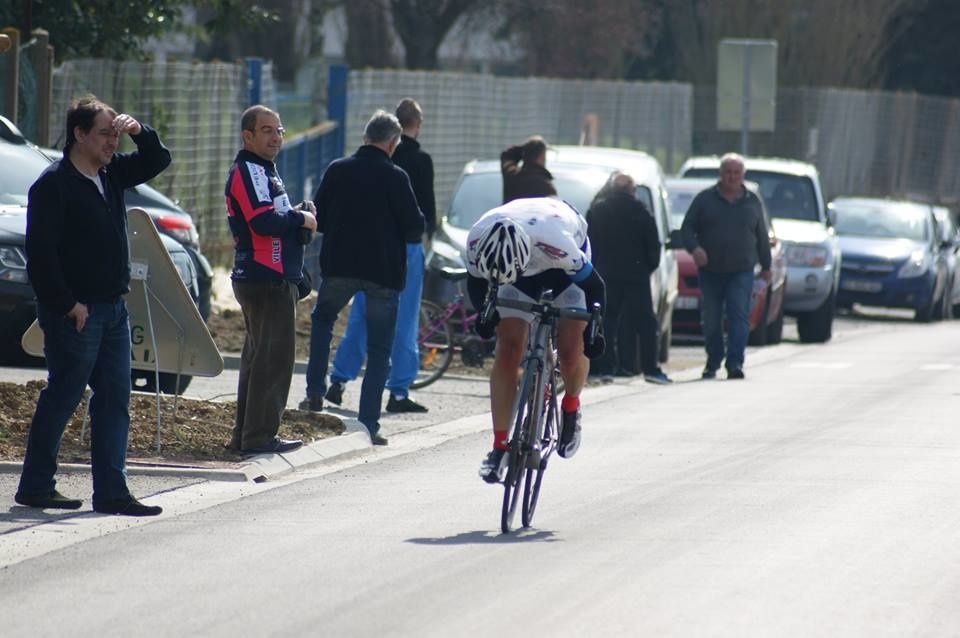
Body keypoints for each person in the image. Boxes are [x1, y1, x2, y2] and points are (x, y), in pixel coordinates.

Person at [16, 95, 170, 516]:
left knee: (115, 398)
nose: (112, 143)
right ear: (79, 134)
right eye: (105, 134)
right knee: (64, 396)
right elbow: (41, 256)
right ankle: (35, 485)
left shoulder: (111, 173)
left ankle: (112, 492)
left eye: (115, 135)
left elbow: (157, 159)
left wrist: (139, 131)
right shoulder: (53, 185)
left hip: (113, 309)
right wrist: (68, 304)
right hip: (75, 314)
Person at [300, 110, 425, 445]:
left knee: (323, 320)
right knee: (380, 347)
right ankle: (369, 422)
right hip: (382, 272)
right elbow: (414, 228)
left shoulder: (337, 169)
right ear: (393, 143)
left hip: (339, 266)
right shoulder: (396, 177)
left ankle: (315, 391)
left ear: (366, 136)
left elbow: (320, 217)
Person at [465, 197, 606, 483]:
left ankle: (571, 406)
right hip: (516, 274)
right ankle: (499, 447)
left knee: (570, 349)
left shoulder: (559, 245)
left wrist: (594, 331)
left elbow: (596, 288)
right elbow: (477, 285)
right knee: (508, 348)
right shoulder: (476, 241)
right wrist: (485, 316)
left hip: (561, 268)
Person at [322, 98, 433, 414]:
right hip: (406, 248)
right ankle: (398, 391)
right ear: (414, 126)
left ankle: (338, 380)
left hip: (371, 248)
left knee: (360, 315)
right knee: (404, 319)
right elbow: (425, 212)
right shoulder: (418, 162)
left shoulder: (365, 162)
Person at [226, 104, 317, 456]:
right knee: (273, 361)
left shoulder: (264, 170)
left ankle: (246, 436)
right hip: (265, 278)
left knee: (260, 358)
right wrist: (300, 220)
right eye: (266, 130)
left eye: (278, 130)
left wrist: (298, 214)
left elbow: (274, 214)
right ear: (247, 136)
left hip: (272, 277)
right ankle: (259, 438)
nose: (276, 137)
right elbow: (263, 221)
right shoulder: (248, 170)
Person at [680, 153, 771, 380]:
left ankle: (735, 363)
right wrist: (695, 249)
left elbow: (762, 235)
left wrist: (766, 266)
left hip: (741, 271)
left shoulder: (752, 201)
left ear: (743, 175)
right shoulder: (704, 199)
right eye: (728, 172)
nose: (732, 177)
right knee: (711, 319)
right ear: (720, 174)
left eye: (736, 173)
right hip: (710, 271)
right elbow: (686, 229)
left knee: (738, 316)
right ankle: (713, 361)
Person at [586, 172, 671, 384]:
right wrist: (645, 269)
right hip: (636, 276)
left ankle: (605, 368)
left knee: (606, 321)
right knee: (646, 322)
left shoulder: (598, 210)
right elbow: (654, 247)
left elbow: (589, 243)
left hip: (606, 275)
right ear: (632, 191)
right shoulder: (642, 212)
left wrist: (597, 267)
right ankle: (651, 369)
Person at [501, 135, 557, 203]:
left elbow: (507, 155)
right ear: (542, 156)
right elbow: (554, 207)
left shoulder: (511, 174)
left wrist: (526, 149)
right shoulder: (545, 186)